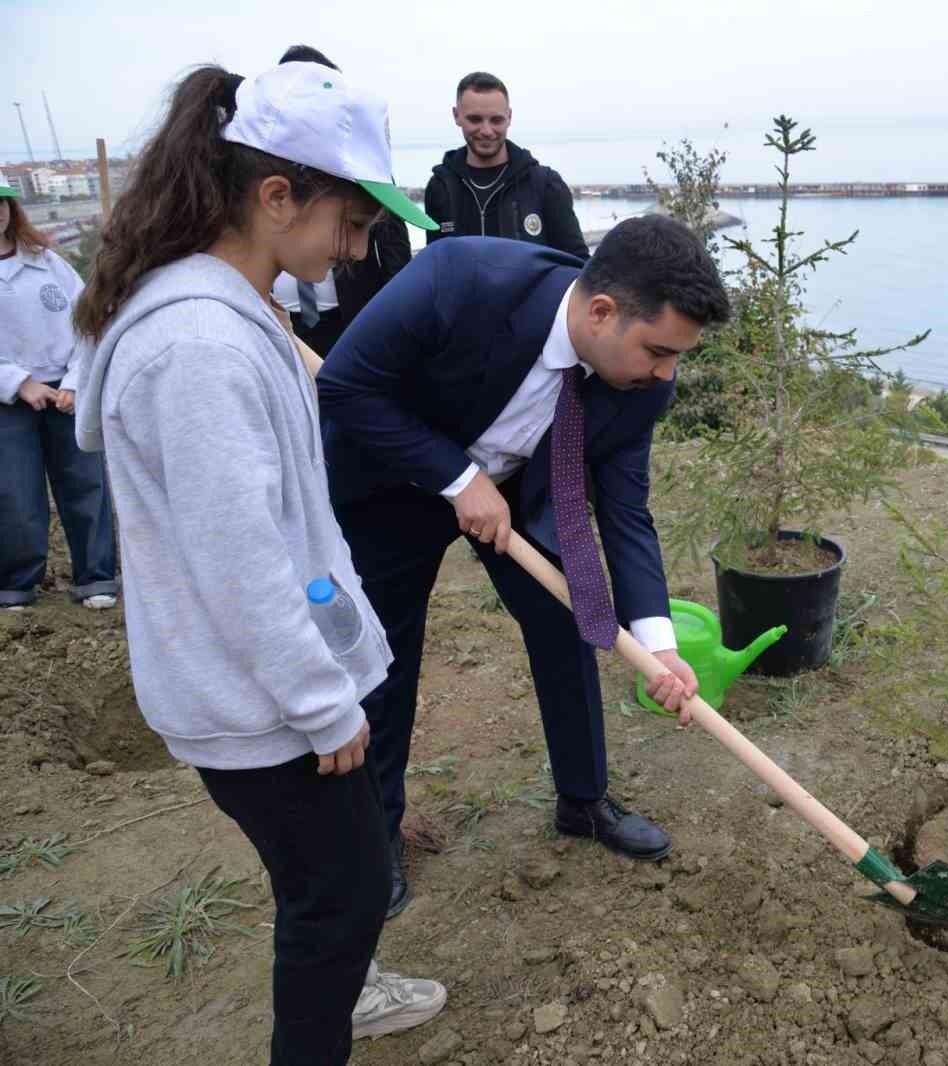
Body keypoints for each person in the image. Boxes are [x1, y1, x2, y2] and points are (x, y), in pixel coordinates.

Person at [70, 61, 447, 1063]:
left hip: (276, 682)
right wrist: (323, 702)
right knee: (344, 896)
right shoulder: (200, 348)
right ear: (276, 196)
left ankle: (341, 1002)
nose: (359, 249)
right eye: (351, 223)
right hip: (262, 702)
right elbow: (240, 560)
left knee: (334, 884)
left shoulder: (242, 315)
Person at [318, 215, 729, 917]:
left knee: (570, 619)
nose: (668, 374)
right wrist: (454, 477)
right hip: (392, 479)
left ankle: (583, 799)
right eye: (658, 351)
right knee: (383, 662)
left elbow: (626, 511)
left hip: (519, 491)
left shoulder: (643, 383)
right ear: (601, 312)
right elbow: (345, 387)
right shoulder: (460, 279)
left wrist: (658, 648)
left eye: (676, 357)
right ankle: (374, 834)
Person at [0, 176, 119, 611]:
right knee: (14, 492)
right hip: (8, 402)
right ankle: (17, 583)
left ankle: (97, 576)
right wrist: (17, 383)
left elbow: (87, 324)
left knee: (85, 484)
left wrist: (72, 382)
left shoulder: (49, 263)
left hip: (66, 390)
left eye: (3, 202)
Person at [269, 45, 414, 357]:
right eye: (353, 224)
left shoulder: (364, 166)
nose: (358, 250)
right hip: (280, 320)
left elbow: (396, 258)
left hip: (346, 321)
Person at [421, 71, 589, 258]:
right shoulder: (440, 188)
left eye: (496, 120)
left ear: (509, 117)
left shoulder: (544, 184)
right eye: (475, 119)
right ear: (456, 116)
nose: (486, 130)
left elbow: (577, 264)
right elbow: (436, 262)